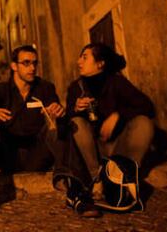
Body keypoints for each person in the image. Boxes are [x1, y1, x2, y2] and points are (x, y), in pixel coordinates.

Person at [0, 45, 67, 222]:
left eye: (34, 63)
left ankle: (72, 185)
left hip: (38, 153)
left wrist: (56, 112)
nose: (32, 68)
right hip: (8, 155)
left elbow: (55, 110)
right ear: (14, 66)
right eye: (26, 63)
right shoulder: (0, 90)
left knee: (61, 127)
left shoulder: (45, 87)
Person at [66, 43, 155, 210]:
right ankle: (97, 180)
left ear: (100, 64)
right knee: (76, 123)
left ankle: (125, 178)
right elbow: (66, 127)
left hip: (117, 148)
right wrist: (75, 109)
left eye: (85, 57)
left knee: (144, 123)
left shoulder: (116, 82)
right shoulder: (75, 88)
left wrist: (118, 115)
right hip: (93, 152)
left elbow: (147, 106)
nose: (79, 62)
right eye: (80, 57)